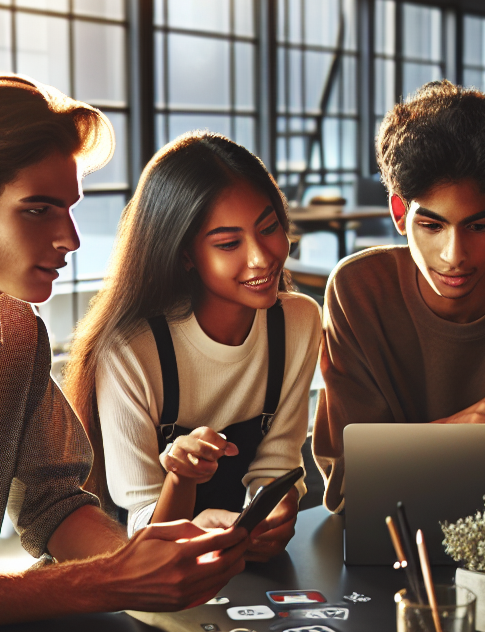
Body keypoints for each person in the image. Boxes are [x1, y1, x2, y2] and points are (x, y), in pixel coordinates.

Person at [0, 75, 246, 628]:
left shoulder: (20, 332)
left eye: (69, 209)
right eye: (38, 209)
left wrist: (145, 561)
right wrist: (107, 581)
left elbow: (55, 503)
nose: (70, 237)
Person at [312, 80, 485, 512]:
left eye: (477, 227)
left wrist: (410, 454)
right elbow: (348, 488)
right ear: (398, 214)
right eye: (431, 226)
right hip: (393, 547)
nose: (454, 256)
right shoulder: (359, 291)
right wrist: (452, 432)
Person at [64, 133, 321, 560]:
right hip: (133, 573)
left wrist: (276, 512)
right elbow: (143, 526)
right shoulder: (131, 350)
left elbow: (278, 464)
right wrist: (181, 479)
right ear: (185, 253)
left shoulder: (298, 321)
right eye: (228, 243)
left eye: (269, 227)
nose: (261, 257)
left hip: (243, 565)